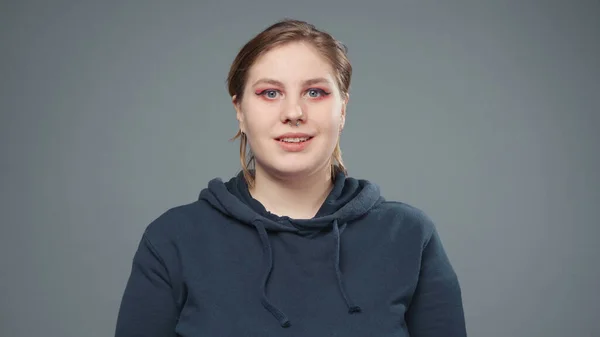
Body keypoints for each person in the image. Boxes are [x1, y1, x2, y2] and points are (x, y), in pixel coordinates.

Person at [114, 19, 467, 337]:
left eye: (315, 92)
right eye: (270, 93)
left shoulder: (409, 236)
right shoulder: (173, 239)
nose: (294, 112)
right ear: (239, 110)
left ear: (342, 109)